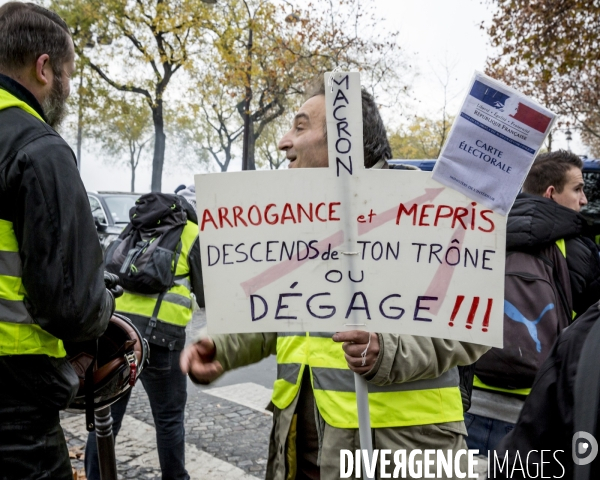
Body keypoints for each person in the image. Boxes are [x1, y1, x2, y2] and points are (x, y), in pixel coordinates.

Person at [180, 81, 490, 480]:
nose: (283, 141)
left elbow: (470, 328)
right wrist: (223, 345)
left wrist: (389, 349)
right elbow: (281, 312)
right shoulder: (294, 221)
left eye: (300, 127)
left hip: (401, 452)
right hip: (302, 450)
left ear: (345, 142)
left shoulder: (426, 212)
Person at [0, 3, 116, 479]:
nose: (67, 88)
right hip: (14, 396)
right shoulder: (37, 147)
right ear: (44, 68)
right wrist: (104, 306)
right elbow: (70, 303)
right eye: (67, 74)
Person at [466, 150, 600, 453]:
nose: (584, 200)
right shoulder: (579, 249)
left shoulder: (484, 232)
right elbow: (589, 336)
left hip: (472, 400)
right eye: (578, 189)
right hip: (536, 412)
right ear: (551, 193)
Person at [85, 188, 204, 480]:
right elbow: (205, 296)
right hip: (161, 338)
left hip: (117, 332)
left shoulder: (134, 226)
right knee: (168, 419)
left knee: (107, 415)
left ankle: (94, 476)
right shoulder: (191, 234)